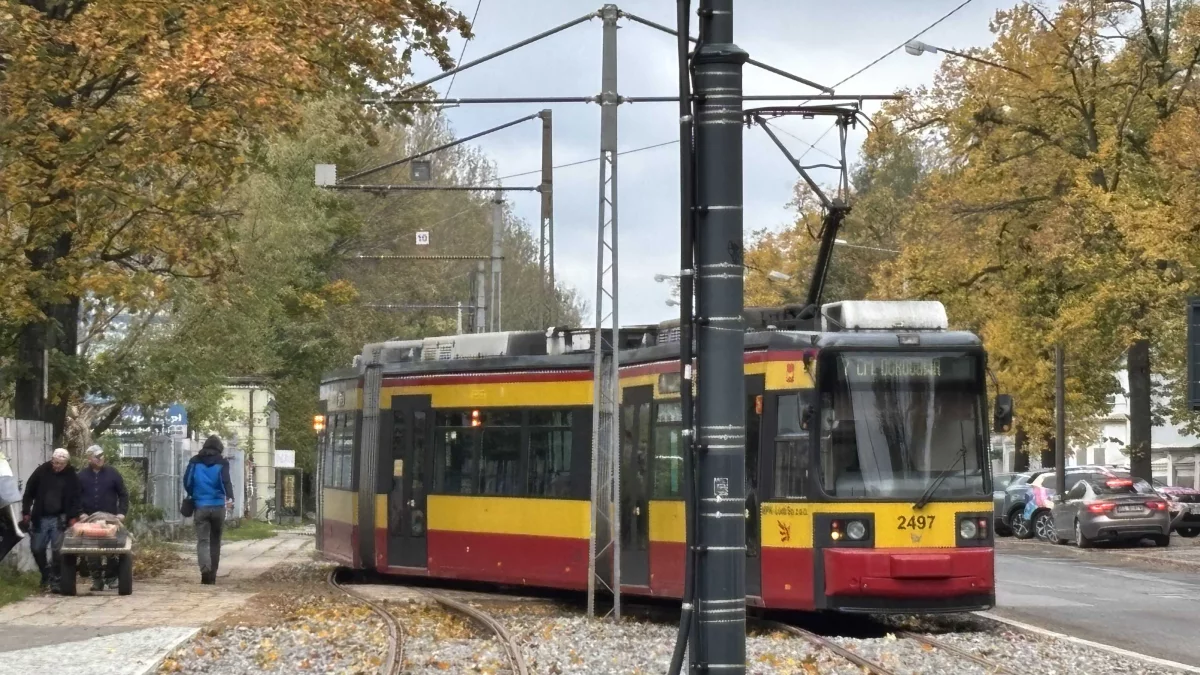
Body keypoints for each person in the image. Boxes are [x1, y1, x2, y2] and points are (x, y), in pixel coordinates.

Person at [20, 448, 82, 592]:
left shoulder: (72, 476)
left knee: (57, 551)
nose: (56, 466)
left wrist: (73, 516)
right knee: (36, 548)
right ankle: (45, 574)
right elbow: (29, 491)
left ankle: (56, 581)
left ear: (66, 463)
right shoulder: (42, 471)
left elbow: (76, 498)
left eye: (60, 464)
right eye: (55, 462)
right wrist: (26, 512)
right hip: (41, 517)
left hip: (59, 518)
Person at [183, 435, 233, 585]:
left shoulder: (195, 461)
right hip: (218, 506)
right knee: (215, 541)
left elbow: (187, 481)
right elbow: (225, 481)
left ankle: (205, 569)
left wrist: (193, 493)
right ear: (219, 448)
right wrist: (230, 497)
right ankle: (213, 575)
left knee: (203, 540)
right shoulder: (222, 462)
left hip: (201, 506)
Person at [79, 445, 129, 591]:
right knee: (91, 551)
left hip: (110, 519)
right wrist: (81, 513)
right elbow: (74, 498)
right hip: (89, 520)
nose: (100, 459)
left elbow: (124, 494)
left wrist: (122, 513)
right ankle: (97, 580)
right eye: (96, 456)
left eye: (102, 456)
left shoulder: (113, 474)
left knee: (111, 549)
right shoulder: (81, 476)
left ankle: (111, 578)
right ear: (89, 458)